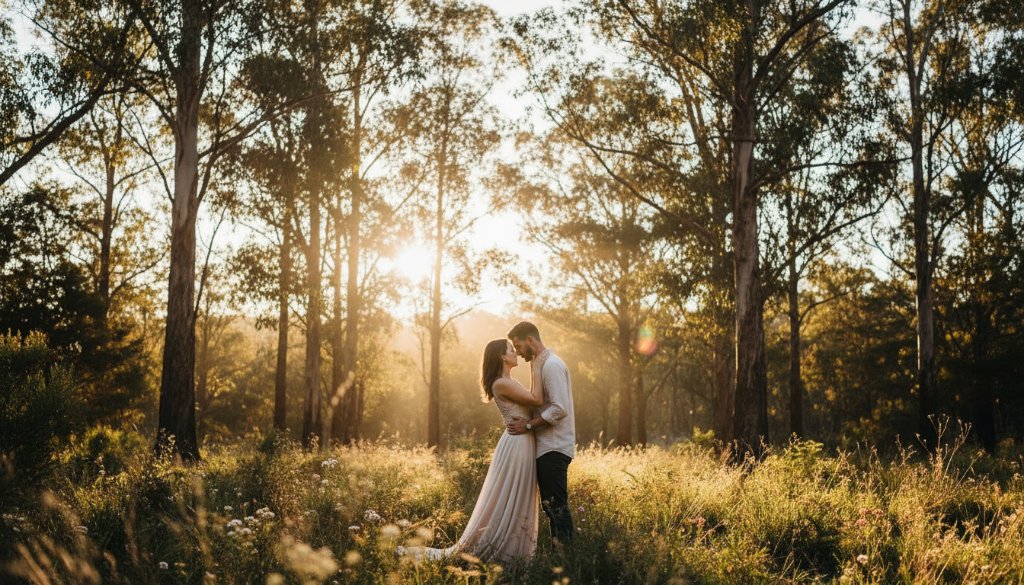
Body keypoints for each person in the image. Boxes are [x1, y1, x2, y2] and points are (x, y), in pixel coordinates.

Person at [397, 338, 543, 562]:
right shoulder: (501, 383)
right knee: (510, 496)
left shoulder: (508, 381)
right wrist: (536, 363)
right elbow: (537, 399)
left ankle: (516, 551)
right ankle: (503, 550)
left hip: (522, 441)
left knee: (518, 495)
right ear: (502, 357)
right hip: (516, 444)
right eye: (512, 350)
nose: (516, 353)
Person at [506, 321, 576, 547]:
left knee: (556, 506)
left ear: (530, 340)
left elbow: (560, 408)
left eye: (518, 346)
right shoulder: (539, 364)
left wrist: (528, 425)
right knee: (551, 506)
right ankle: (561, 553)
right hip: (547, 446)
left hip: (554, 447)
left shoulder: (551, 366)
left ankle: (568, 558)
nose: (516, 351)